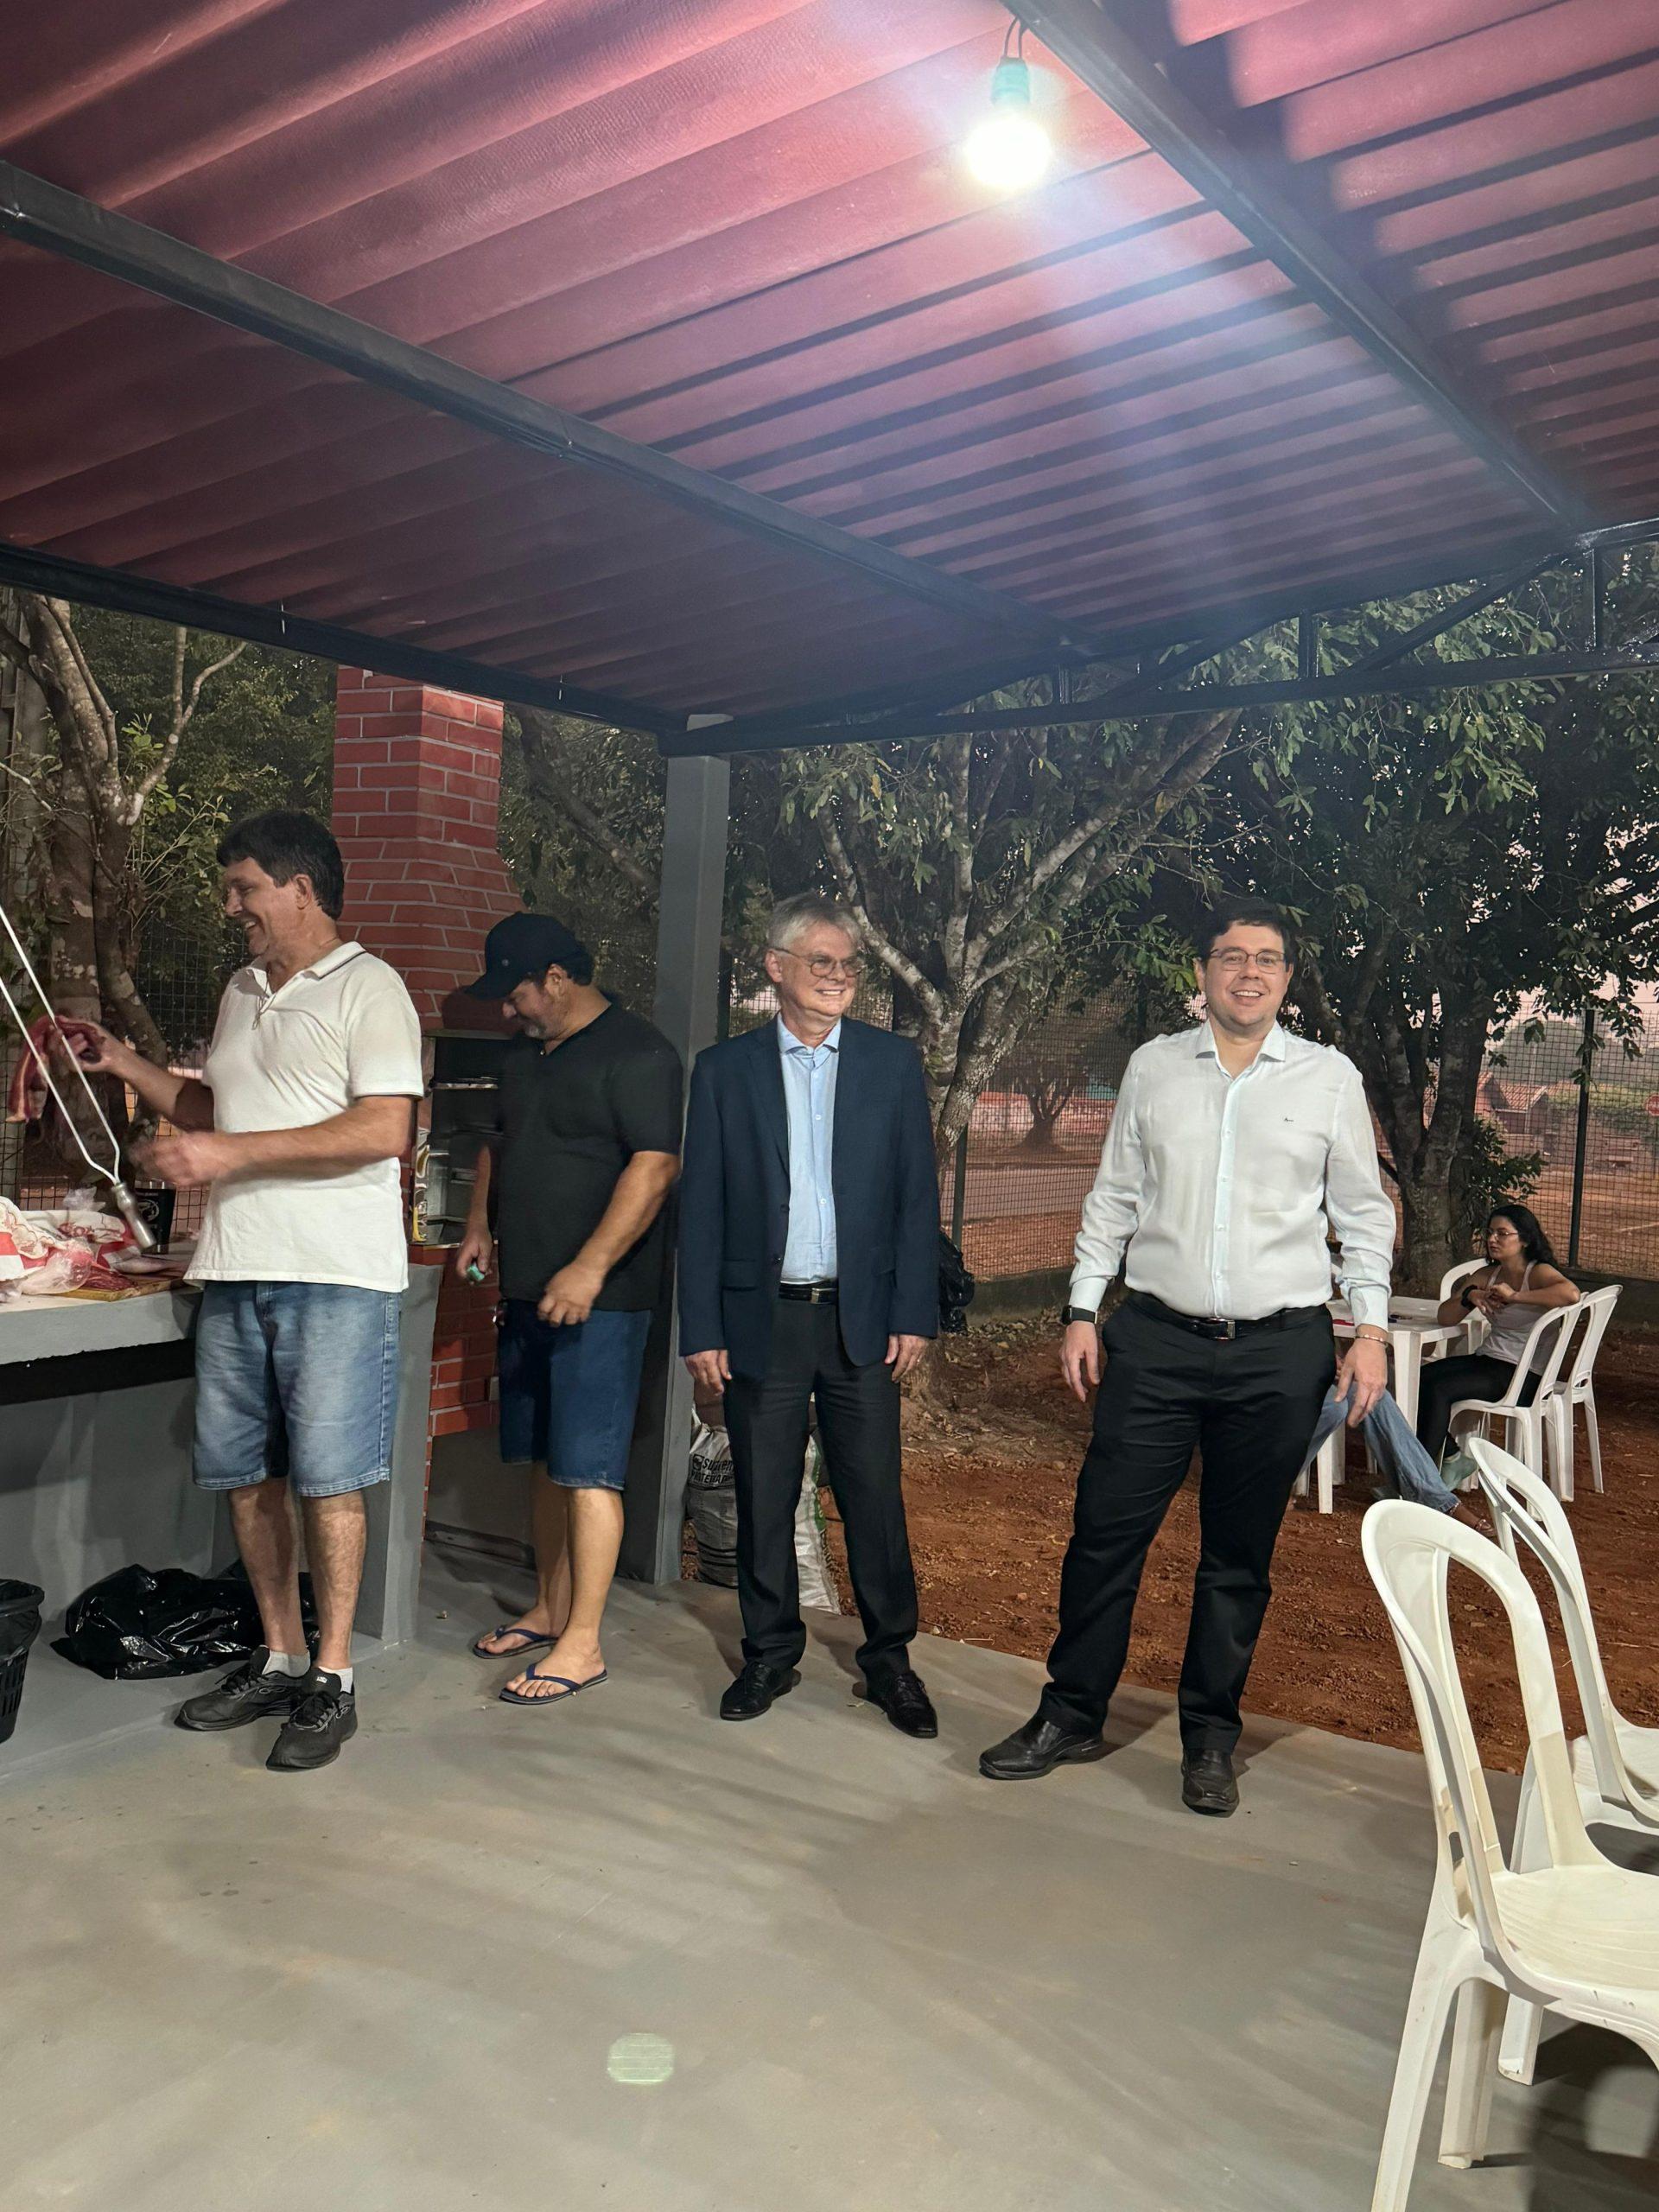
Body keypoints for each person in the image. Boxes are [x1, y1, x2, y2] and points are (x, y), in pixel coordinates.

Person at [979, 899, 1395, 1815]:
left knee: (1237, 1556)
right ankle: (1070, 1713)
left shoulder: (1329, 1079)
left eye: (1268, 959)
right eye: (1232, 955)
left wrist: (1369, 1333)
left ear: (1288, 979)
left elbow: (1364, 1217)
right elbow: (1114, 1195)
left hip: (1278, 1352)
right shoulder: (1154, 1067)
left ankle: (1210, 1738)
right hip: (1156, 1342)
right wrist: (1082, 1308)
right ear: (1204, 972)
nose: (1249, 972)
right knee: (1104, 1534)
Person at [78, 810, 423, 1770]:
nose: (232, 906)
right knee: (245, 1478)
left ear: (300, 889)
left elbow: (383, 1129)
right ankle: (278, 1656)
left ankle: (334, 1677)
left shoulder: (370, 987)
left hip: (334, 1276)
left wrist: (229, 1154)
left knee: (329, 1479)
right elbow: (212, 1107)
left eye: (245, 889)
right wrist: (123, 1062)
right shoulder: (240, 990)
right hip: (235, 1267)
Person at [677, 893, 940, 1735]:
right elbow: (701, 1208)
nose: (837, 976)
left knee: (874, 1499)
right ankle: (768, 1653)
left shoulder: (891, 1065)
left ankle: (890, 1661)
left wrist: (915, 1313)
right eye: (820, 961)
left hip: (863, 1323)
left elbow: (915, 1198)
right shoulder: (726, 1071)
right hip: (764, 1321)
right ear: (776, 966)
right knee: (764, 1494)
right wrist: (702, 1328)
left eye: (847, 964)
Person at [454, 914, 681, 1707]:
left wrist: (588, 1269)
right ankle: (550, 1609)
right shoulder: (523, 1056)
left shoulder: (641, 1054)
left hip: (603, 1301)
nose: (507, 1010)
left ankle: (583, 1644)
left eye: (515, 992)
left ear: (557, 977)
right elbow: (499, 1143)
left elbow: (655, 1168)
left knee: (588, 1471)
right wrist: (479, 1223)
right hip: (527, 1288)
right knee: (547, 1462)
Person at [1415, 1205, 1580, 1465]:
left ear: (1524, 1239)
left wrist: (1515, 1296)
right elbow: (1445, 1317)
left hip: (1524, 1373)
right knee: (1416, 1381)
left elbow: (1571, 1294)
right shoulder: (1486, 1275)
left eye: (1502, 1233)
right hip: (1488, 1360)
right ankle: (1450, 1458)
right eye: (1490, 1233)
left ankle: (1420, 1477)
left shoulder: (1537, 1272)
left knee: (1438, 1389)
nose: (1492, 1239)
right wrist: (1470, 1296)